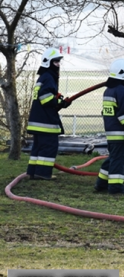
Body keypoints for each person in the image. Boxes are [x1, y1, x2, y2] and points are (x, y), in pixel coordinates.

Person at [95, 58, 124, 195]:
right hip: (121, 132)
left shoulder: (108, 90)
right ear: (123, 74)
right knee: (120, 160)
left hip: (111, 131)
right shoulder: (121, 91)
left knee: (113, 158)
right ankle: (116, 187)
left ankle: (101, 183)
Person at [27, 48, 70, 180]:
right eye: (56, 61)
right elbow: (45, 98)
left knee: (38, 148)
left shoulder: (43, 77)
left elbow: (45, 97)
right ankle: (43, 173)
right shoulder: (49, 77)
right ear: (48, 62)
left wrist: (58, 101)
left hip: (38, 119)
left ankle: (33, 172)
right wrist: (60, 102)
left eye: (59, 61)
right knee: (49, 147)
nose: (58, 64)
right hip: (45, 121)